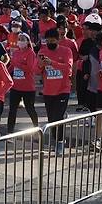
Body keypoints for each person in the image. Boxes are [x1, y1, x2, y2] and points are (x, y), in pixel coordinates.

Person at [36, 28, 73, 156]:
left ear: (58, 40)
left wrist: (52, 62)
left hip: (63, 89)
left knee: (58, 118)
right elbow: (36, 71)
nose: (50, 43)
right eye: (48, 41)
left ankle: (60, 142)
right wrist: (40, 64)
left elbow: (68, 67)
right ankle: (54, 139)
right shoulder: (42, 51)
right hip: (48, 91)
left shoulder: (66, 51)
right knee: (51, 118)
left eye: (53, 41)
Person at [7, 32, 39, 133]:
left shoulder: (31, 53)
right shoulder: (16, 53)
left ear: (28, 42)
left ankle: (36, 129)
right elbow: (12, 66)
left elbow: (29, 69)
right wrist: (5, 73)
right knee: (12, 110)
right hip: (16, 86)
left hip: (28, 87)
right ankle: (10, 132)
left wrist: (17, 63)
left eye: (23, 39)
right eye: (19, 39)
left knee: (30, 109)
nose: (20, 41)